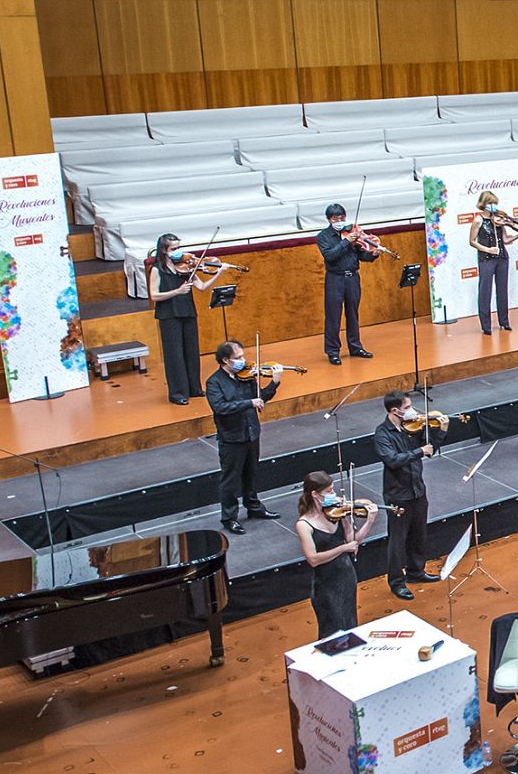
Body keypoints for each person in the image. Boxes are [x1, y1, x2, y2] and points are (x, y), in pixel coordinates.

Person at [205, 341, 282, 535]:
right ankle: (229, 517)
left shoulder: (247, 377)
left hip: (251, 433)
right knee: (230, 480)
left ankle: (254, 507)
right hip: (232, 437)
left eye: (242, 356)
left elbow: (261, 397)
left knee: (251, 473)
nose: (243, 361)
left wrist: (274, 382)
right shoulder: (214, 382)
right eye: (238, 358)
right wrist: (249, 402)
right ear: (225, 360)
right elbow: (221, 408)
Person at [148, 233, 228, 405]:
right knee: (174, 354)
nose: (179, 252)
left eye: (179, 247)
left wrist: (218, 273)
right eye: (174, 249)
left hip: (188, 311)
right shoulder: (157, 270)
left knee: (191, 351)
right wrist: (177, 291)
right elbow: (154, 295)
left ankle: (194, 388)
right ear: (164, 250)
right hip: (169, 315)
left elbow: (202, 286)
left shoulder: (186, 267)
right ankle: (178, 393)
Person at [296, 470, 376, 639]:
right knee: (331, 630)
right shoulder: (304, 524)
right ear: (315, 494)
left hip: (346, 577)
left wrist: (369, 521)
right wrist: (342, 549)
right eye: (329, 491)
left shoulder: (337, 513)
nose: (334, 494)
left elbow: (353, 542)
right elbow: (313, 559)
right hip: (326, 584)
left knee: (349, 625)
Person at [375, 390, 437, 600]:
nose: (412, 411)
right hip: (398, 495)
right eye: (407, 407)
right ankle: (396, 582)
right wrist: (419, 451)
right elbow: (392, 460)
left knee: (419, 534)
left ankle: (416, 572)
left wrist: (440, 430)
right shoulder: (382, 434)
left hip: (417, 489)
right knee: (397, 540)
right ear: (395, 411)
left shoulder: (412, 428)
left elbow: (430, 449)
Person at [316, 202, 380, 365]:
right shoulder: (323, 236)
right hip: (334, 279)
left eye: (342, 217)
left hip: (352, 278)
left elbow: (361, 256)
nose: (340, 220)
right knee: (333, 316)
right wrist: (346, 242)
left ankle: (355, 347)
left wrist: (372, 254)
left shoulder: (352, 232)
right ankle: (332, 351)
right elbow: (330, 256)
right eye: (336, 218)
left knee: (353, 314)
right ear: (329, 219)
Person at [470, 190, 518, 334]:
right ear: (483, 204)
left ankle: (504, 322)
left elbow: (506, 240)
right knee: (485, 292)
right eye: (490, 203)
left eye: (495, 203)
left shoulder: (499, 219)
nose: (493, 206)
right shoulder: (478, 220)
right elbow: (472, 241)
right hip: (486, 259)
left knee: (502, 290)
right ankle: (486, 326)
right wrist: (488, 249)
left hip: (502, 258)